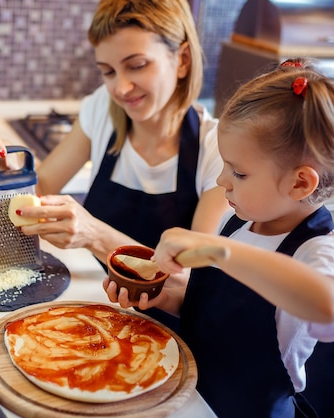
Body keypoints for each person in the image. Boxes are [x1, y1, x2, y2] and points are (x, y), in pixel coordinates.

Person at [0, 0, 229, 315]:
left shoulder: (217, 150)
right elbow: (42, 188)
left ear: (182, 60)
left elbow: (192, 282)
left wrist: (94, 236)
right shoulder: (102, 109)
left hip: (169, 333)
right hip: (96, 309)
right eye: (108, 71)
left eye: (137, 65)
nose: (121, 88)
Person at [105, 58, 334, 417]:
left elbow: (325, 305)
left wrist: (220, 251)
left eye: (239, 173)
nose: (222, 181)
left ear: (300, 182)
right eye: (225, 165)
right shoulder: (238, 224)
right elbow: (217, 316)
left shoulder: (318, 249)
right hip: (191, 400)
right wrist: (165, 298)